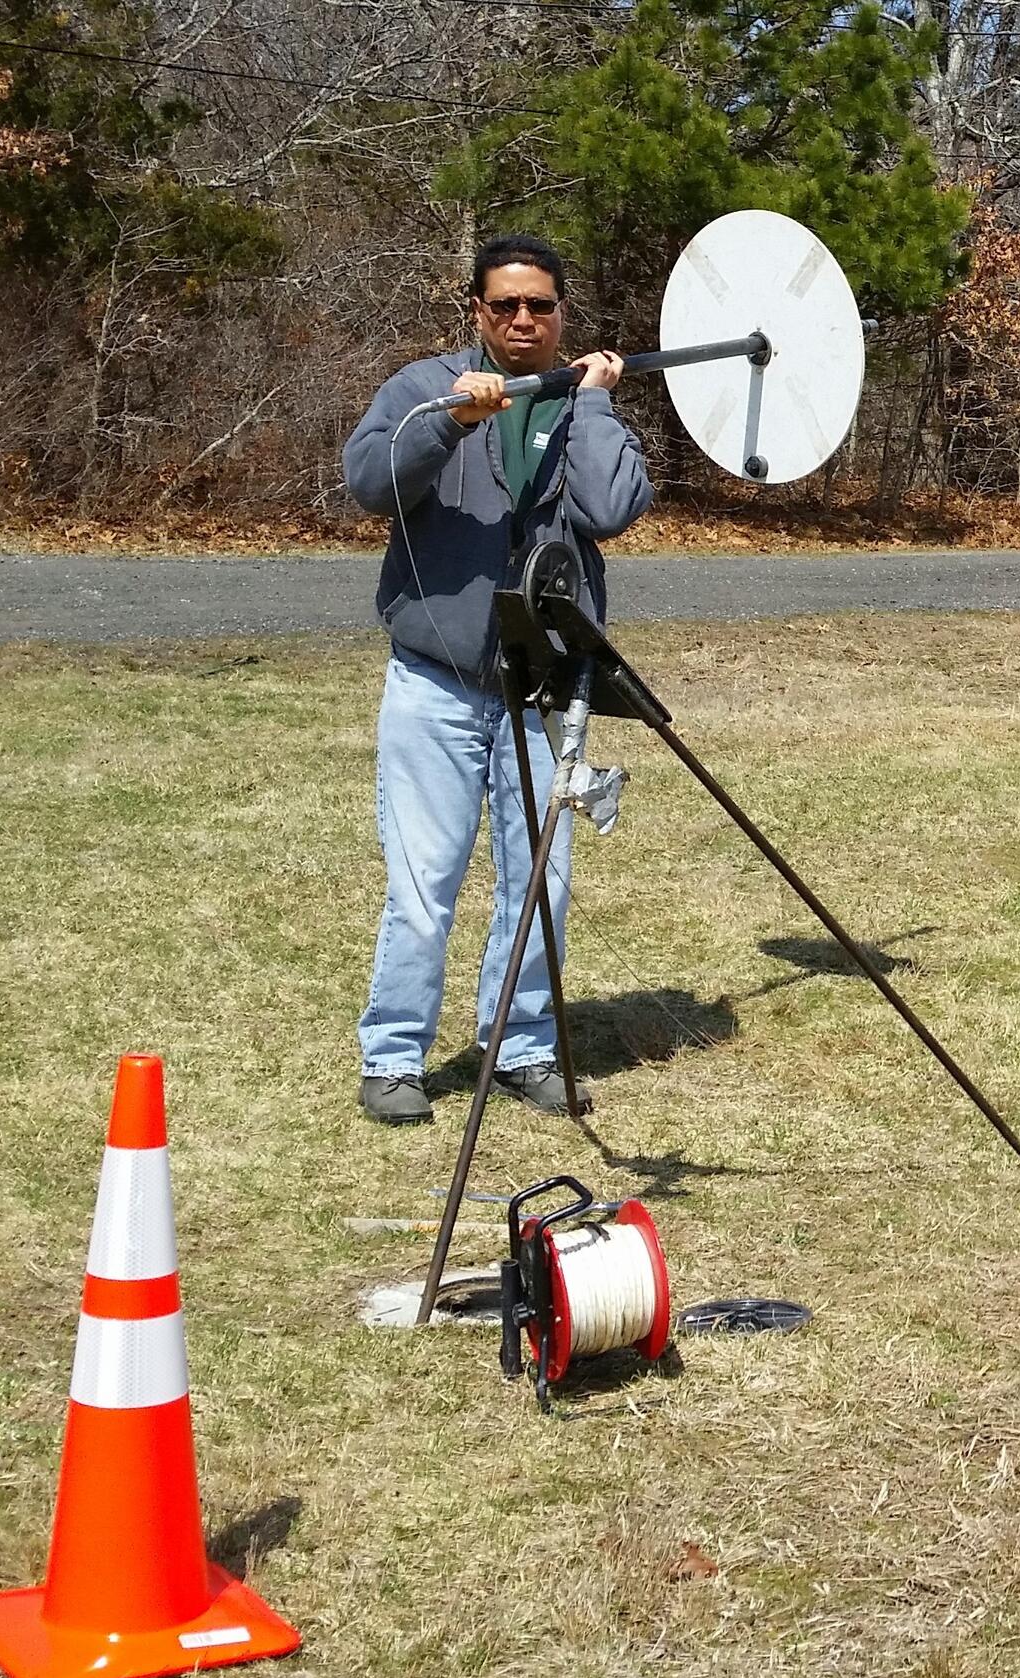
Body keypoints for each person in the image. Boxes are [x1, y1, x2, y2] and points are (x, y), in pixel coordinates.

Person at [342, 233, 653, 1125]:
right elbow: (369, 481)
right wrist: (452, 420)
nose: (523, 319)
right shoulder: (424, 388)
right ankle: (393, 1059)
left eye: (539, 305)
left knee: (539, 881)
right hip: (435, 684)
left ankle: (519, 1048)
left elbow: (612, 507)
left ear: (561, 314)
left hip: (541, 688)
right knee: (423, 884)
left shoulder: (581, 403)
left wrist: (592, 404)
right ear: (477, 310)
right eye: (505, 304)